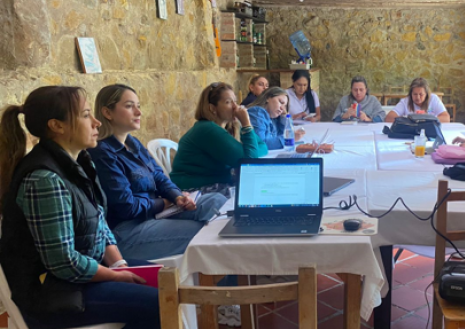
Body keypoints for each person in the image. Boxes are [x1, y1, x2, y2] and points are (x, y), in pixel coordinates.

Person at [0, 86, 160, 328]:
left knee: (167, 280)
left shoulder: (79, 162)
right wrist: (115, 277)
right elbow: (64, 262)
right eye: (86, 115)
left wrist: (118, 264)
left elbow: (98, 221)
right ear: (57, 126)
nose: (96, 122)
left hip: (82, 276)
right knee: (161, 301)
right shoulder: (44, 179)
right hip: (53, 294)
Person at [88, 84, 227, 260]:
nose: (138, 112)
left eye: (138, 106)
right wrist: (166, 202)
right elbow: (126, 206)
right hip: (128, 230)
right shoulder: (102, 153)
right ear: (107, 113)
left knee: (217, 201)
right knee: (203, 232)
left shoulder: (132, 143)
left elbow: (159, 177)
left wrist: (177, 197)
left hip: (155, 214)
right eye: (130, 106)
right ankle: (223, 279)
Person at [171, 82, 268, 190]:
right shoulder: (207, 129)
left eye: (235, 101)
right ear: (212, 108)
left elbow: (262, 146)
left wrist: (248, 151)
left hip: (217, 185)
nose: (235, 107)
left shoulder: (229, 127)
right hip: (193, 192)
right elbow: (249, 164)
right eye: (228, 102)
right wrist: (246, 123)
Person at [384, 77, 450, 123]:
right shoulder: (405, 101)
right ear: (411, 94)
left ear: (426, 94)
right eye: (415, 94)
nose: (418, 97)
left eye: (421, 94)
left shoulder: (433, 99)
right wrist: (410, 120)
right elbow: (389, 118)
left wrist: (427, 119)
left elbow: (446, 118)